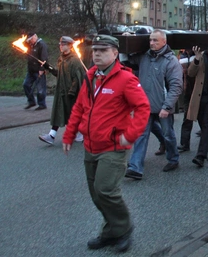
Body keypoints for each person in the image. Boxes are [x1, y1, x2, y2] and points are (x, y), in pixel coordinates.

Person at [62, 34, 150, 252]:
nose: (97, 54)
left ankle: (123, 228)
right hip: (91, 145)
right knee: (96, 194)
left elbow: (143, 108)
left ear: (114, 53)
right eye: (95, 51)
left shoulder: (126, 79)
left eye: (103, 50)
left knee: (106, 190)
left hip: (113, 147)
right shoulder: (90, 77)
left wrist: (129, 136)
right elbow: (80, 108)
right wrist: (69, 133)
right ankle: (111, 231)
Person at [125, 30, 183, 180]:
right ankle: (135, 167)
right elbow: (125, 60)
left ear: (164, 42)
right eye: (150, 40)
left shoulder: (171, 61)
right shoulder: (144, 57)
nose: (152, 43)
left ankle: (173, 159)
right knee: (141, 135)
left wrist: (167, 107)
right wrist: (126, 41)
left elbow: (176, 86)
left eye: (155, 41)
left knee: (168, 134)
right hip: (144, 105)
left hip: (162, 106)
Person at [38, 36, 86, 145]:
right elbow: (59, 74)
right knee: (58, 112)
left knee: (73, 115)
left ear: (69, 46)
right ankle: (51, 135)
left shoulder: (75, 60)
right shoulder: (61, 59)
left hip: (72, 94)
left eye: (63, 44)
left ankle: (81, 132)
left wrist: (72, 91)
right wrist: (47, 67)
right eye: (60, 44)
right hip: (62, 92)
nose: (60, 46)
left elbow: (77, 78)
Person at [23, 32, 49, 110]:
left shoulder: (42, 45)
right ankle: (31, 102)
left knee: (40, 89)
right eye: (29, 40)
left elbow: (44, 58)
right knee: (26, 85)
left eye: (31, 39)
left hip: (38, 70)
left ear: (35, 37)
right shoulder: (30, 45)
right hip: (31, 70)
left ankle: (42, 104)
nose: (30, 41)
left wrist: (42, 69)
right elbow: (23, 44)